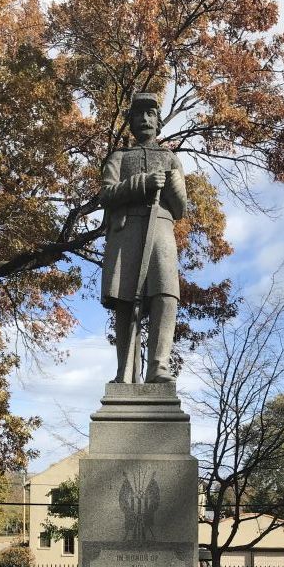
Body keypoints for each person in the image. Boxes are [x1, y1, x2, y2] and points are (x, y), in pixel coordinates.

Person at [99, 93, 187, 383]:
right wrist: (143, 183)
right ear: (131, 122)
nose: (145, 119)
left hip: (160, 229)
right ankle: (126, 371)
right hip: (126, 232)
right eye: (139, 115)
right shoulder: (118, 157)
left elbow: (180, 209)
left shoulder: (170, 158)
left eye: (150, 114)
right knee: (125, 299)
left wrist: (173, 185)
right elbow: (107, 194)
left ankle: (159, 366)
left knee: (165, 294)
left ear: (158, 121)